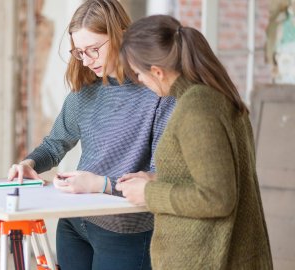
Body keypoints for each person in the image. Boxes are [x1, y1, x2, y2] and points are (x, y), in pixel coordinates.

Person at [7, 1, 175, 269]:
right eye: (79, 52)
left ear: (121, 35)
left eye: (94, 50)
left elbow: (159, 176)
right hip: (74, 222)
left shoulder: (157, 92)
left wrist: (99, 183)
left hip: (124, 229)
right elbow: (54, 145)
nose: (86, 60)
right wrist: (30, 164)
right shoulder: (85, 90)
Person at [117, 14, 273, 269]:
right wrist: (157, 179)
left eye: (138, 74)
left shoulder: (197, 109)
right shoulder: (212, 96)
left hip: (209, 260)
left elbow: (217, 197)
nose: (140, 82)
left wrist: (148, 193)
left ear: (157, 71)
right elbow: (214, 173)